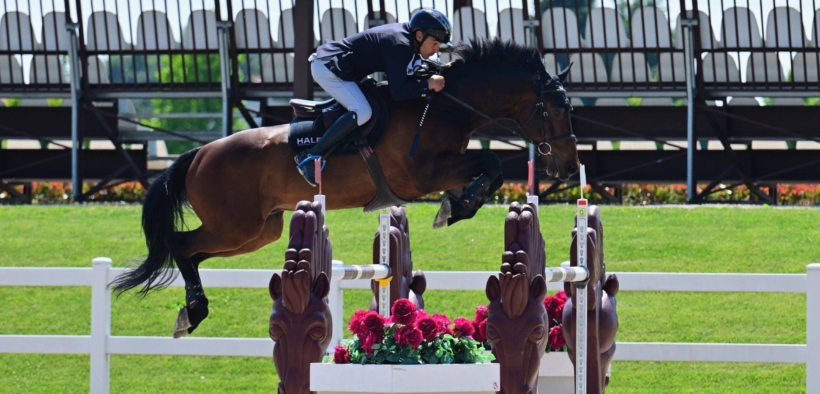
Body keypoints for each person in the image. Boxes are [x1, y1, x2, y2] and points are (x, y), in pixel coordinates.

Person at [293, 8, 452, 186]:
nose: (437, 49)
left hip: (344, 69)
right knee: (363, 111)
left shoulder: (407, 39)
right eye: (435, 43)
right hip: (329, 69)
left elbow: (415, 70)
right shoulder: (399, 44)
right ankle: (311, 155)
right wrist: (428, 84)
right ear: (420, 35)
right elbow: (398, 92)